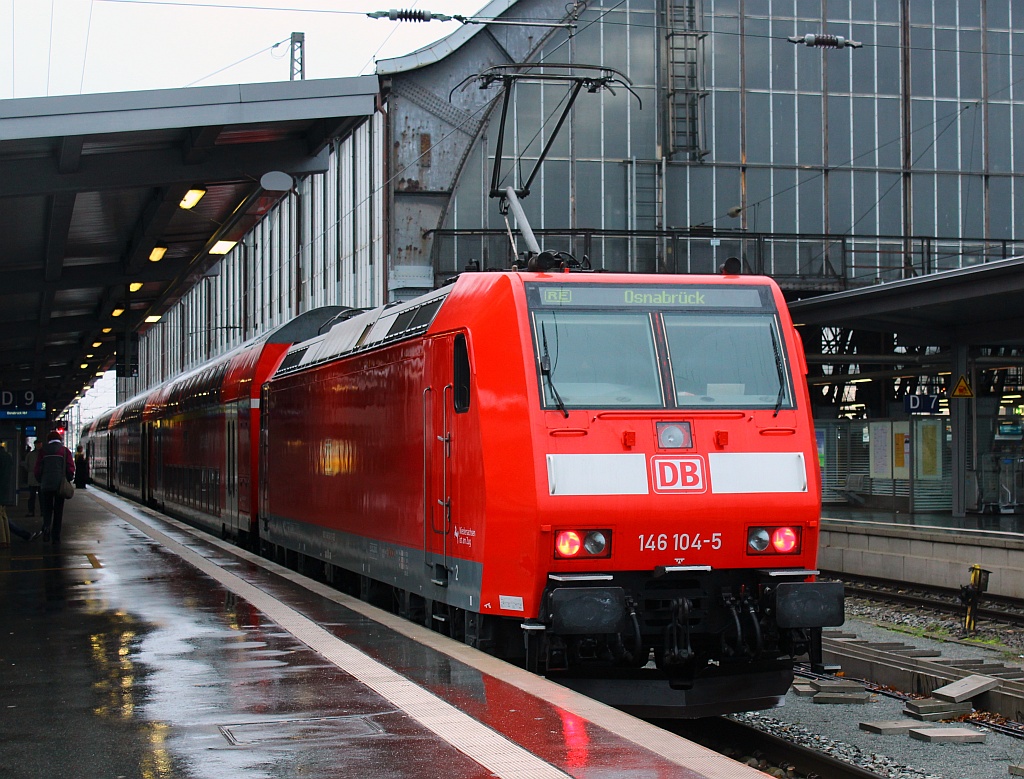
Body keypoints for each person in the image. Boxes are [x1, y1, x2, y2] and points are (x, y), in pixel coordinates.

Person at [34, 430, 74, 544]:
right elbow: (70, 467)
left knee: (47, 509)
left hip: (46, 485)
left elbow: (37, 469)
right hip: (59, 485)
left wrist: (41, 480)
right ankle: (56, 536)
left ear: (48, 439)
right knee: (58, 510)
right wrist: (68, 479)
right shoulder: (64, 451)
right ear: (59, 439)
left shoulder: (42, 451)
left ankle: (46, 528)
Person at [24, 438, 41, 516]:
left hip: (37, 477)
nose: (38, 446)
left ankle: (35, 511)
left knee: (39, 496)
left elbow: (26, 465)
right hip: (36, 477)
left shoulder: (31, 455)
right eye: (37, 444)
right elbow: (26, 464)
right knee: (33, 496)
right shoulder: (31, 454)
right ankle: (32, 511)